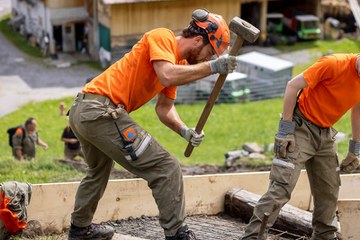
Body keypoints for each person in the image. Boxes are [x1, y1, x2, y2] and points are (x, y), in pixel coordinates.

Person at [67, 8, 237, 240]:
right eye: (211, 53)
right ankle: (177, 234)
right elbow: (167, 75)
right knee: (167, 168)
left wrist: (184, 130)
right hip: (99, 110)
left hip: (84, 111)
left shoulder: (175, 62)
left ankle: (80, 230)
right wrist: (212, 68)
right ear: (198, 40)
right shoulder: (162, 37)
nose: (209, 59)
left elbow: (164, 107)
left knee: (98, 171)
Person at [241, 53, 360, 240]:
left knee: (329, 190)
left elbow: (358, 109)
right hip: (300, 127)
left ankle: (324, 236)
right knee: (281, 188)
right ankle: (253, 237)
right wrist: (285, 131)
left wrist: (355, 149)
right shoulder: (333, 64)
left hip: (326, 134)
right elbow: (292, 86)